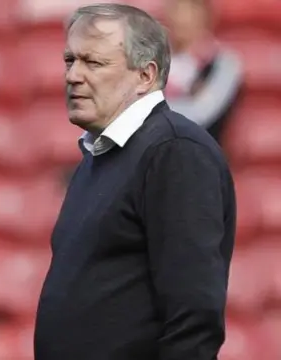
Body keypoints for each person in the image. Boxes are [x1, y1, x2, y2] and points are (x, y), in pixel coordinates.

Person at [34, 4, 235, 360]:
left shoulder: (175, 152)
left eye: (93, 63)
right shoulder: (99, 157)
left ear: (145, 75)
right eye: (70, 61)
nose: (73, 76)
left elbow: (194, 313)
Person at [163, 0, 242, 143]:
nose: (182, 17)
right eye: (177, 8)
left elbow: (200, 113)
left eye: (191, 9)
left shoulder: (224, 64)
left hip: (201, 156)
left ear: (206, 15)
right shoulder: (153, 60)